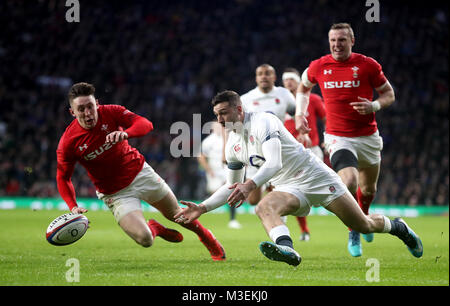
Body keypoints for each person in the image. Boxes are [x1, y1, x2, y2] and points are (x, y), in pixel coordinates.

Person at [174, 90, 422, 267]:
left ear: (239, 109)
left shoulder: (264, 121)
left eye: (224, 113)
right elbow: (231, 186)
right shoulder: (233, 146)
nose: (219, 120)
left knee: (363, 225)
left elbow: (274, 162)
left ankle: (399, 227)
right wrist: (204, 207)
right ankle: (288, 250)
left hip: (316, 177)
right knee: (264, 206)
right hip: (289, 187)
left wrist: (250, 183)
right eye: (216, 115)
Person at [56, 82, 226, 261]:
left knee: (178, 214)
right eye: (81, 109)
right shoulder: (68, 142)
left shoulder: (111, 112)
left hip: (140, 174)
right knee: (145, 239)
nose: (88, 113)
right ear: (72, 112)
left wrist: (126, 133)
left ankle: (208, 238)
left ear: (97, 103)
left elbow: (145, 124)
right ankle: (156, 228)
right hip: (115, 193)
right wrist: (72, 206)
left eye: (90, 106)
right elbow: (63, 177)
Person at [295, 23, 396, 257]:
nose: (336, 44)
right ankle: (354, 229)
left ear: (352, 41)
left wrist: (374, 105)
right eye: (332, 40)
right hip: (338, 137)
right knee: (348, 181)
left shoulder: (368, 65)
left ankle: (363, 217)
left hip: (368, 137)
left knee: (369, 188)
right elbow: (303, 87)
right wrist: (300, 113)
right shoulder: (319, 66)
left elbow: (389, 94)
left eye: (341, 40)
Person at [238, 64, 296, 206]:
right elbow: (236, 126)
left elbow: (296, 114)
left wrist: (301, 132)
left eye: (268, 73)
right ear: (256, 78)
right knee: (253, 200)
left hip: (277, 148)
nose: (264, 76)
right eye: (260, 74)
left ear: (274, 77)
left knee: (279, 190)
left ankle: (277, 217)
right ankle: (267, 185)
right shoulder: (246, 99)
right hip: (254, 151)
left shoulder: (284, 94)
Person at [282, 67, 327, 242]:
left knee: (317, 191)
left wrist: (328, 138)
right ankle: (285, 229)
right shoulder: (280, 104)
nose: (288, 82)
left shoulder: (313, 99)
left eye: (292, 79)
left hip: (311, 150)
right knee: (288, 189)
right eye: (285, 80)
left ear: (299, 81)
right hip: (289, 154)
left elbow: (327, 118)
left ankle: (353, 223)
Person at [198, 121, 241, 229]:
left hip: (227, 169)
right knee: (214, 191)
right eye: (216, 126)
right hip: (215, 171)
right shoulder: (208, 141)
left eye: (220, 126)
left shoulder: (229, 138)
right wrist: (208, 170)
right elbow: (201, 156)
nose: (218, 128)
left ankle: (232, 219)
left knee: (231, 191)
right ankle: (205, 210)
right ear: (212, 128)